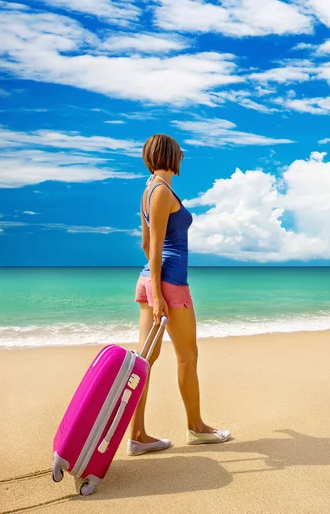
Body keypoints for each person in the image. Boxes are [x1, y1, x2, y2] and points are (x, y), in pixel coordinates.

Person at [127, 134, 231, 456]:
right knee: (188, 356)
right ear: (170, 155)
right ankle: (197, 429)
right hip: (169, 284)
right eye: (181, 152)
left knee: (146, 361)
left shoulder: (150, 191)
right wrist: (159, 295)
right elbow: (154, 247)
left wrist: (153, 286)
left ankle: (137, 436)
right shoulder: (160, 191)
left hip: (153, 280)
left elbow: (145, 246)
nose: (183, 157)